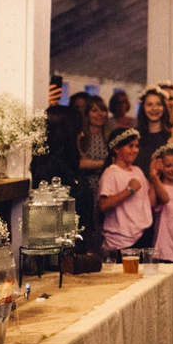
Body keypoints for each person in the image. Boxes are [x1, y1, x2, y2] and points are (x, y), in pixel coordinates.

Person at [99, 128, 157, 256]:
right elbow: (103, 205)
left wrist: (153, 179)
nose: (135, 150)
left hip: (143, 235)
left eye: (137, 146)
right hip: (121, 241)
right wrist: (129, 190)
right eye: (130, 146)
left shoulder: (137, 171)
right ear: (116, 148)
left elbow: (150, 203)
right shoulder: (111, 172)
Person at [79, 96, 110, 253]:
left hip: (108, 185)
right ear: (87, 113)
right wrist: (104, 163)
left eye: (102, 110)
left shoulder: (108, 135)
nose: (99, 114)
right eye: (94, 110)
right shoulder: (83, 136)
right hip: (89, 187)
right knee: (91, 227)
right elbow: (81, 163)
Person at [133, 86, 173, 177]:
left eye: (158, 104)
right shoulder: (135, 135)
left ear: (164, 107)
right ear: (143, 108)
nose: (154, 108)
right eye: (149, 105)